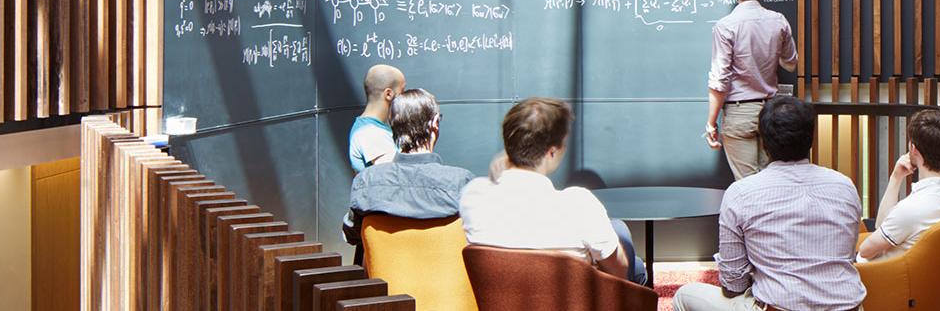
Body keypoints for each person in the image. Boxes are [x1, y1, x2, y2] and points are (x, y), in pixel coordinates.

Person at [674, 96, 866, 311]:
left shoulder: (740, 193)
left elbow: (732, 285)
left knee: (684, 295)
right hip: (848, 309)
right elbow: (846, 257)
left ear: (763, 142)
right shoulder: (845, 186)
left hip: (777, 308)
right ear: (811, 139)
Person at [459, 97, 648, 285]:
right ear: (552, 152)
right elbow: (620, 274)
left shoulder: (473, 198)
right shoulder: (579, 205)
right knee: (633, 259)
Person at [341, 88, 473, 247]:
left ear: (393, 126)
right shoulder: (462, 182)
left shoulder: (366, 182)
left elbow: (351, 235)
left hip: (384, 272)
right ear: (435, 123)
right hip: (446, 271)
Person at [703, 0, 799, 180]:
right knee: (771, 181)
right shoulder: (778, 21)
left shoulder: (726, 26)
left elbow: (720, 80)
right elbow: (791, 63)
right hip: (771, 113)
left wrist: (711, 122)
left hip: (740, 112)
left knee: (748, 185)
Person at [857, 109, 940, 263]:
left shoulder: (910, 209)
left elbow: (865, 251)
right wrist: (896, 177)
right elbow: (883, 226)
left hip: (881, 276)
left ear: (913, 149)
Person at [350, 64, 406, 173]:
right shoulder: (370, 133)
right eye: (402, 92)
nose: (404, 98)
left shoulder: (374, 129)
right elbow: (394, 175)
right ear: (388, 94)